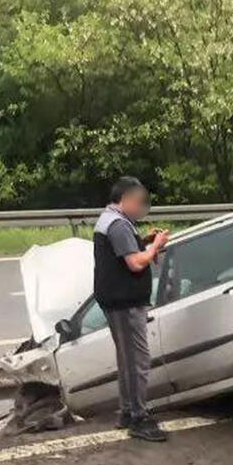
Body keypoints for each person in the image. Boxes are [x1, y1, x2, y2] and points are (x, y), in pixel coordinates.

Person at [93, 176, 170, 441]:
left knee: (127, 358)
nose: (141, 208)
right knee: (138, 360)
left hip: (117, 300)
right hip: (125, 302)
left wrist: (144, 240)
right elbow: (135, 263)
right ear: (125, 199)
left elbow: (124, 252)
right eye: (138, 202)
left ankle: (127, 411)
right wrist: (155, 246)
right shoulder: (118, 225)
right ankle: (139, 418)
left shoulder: (113, 220)